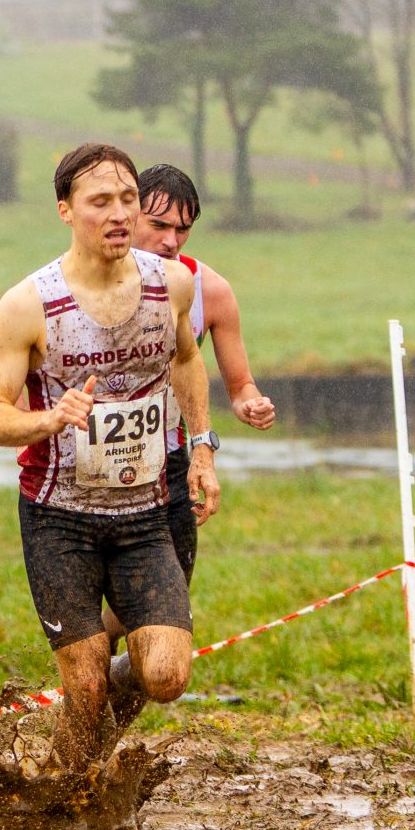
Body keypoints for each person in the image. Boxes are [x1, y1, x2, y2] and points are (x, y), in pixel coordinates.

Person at [0, 143, 217, 767]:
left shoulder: (173, 284)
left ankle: (71, 755)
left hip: (144, 512)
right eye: (100, 201)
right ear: (65, 209)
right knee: (83, 687)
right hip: (60, 517)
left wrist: (201, 449)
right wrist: (50, 418)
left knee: (165, 675)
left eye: (129, 200)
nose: (119, 214)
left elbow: (188, 359)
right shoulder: (29, 303)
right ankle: (68, 784)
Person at [132, 162, 278, 599]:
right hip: (90, 462)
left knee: (164, 597)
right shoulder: (86, 280)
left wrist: (251, 403)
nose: (170, 241)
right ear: (128, 215)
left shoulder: (211, 290)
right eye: (158, 225)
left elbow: (240, 385)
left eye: (183, 229)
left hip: (171, 462)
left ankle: (119, 653)